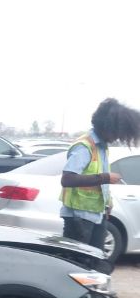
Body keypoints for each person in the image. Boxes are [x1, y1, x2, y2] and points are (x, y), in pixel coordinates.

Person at [60, 98, 140, 249]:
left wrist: (107, 202)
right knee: (76, 260)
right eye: (117, 133)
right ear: (107, 127)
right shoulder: (84, 146)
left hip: (96, 214)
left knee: (95, 259)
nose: (118, 138)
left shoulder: (102, 147)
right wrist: (106, 177)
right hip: (79, 218)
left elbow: (97, 182)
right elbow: (67, 179)